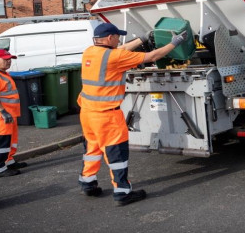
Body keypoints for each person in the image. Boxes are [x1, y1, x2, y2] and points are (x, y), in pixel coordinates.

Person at [78, 23, 188, 206]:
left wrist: (142, 39)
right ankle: (122, 192)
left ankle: (87, 182)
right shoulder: (115, 57)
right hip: (107, 116)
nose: (119, 40)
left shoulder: (89, 52)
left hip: (87, 113)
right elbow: (153, 56)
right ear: (110, 38)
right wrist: (175, 42)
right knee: (116, 154)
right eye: (117, 36)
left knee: (92, 149)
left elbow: (119, 50)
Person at [0, 49, 27, 178]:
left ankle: (8, 161)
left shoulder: (3, 74)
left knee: (10, 140)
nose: (9, 61)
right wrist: (3, 112)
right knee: (1, 142)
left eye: (10, 59)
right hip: (0, 115)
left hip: (8, 114)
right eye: (5, 59)